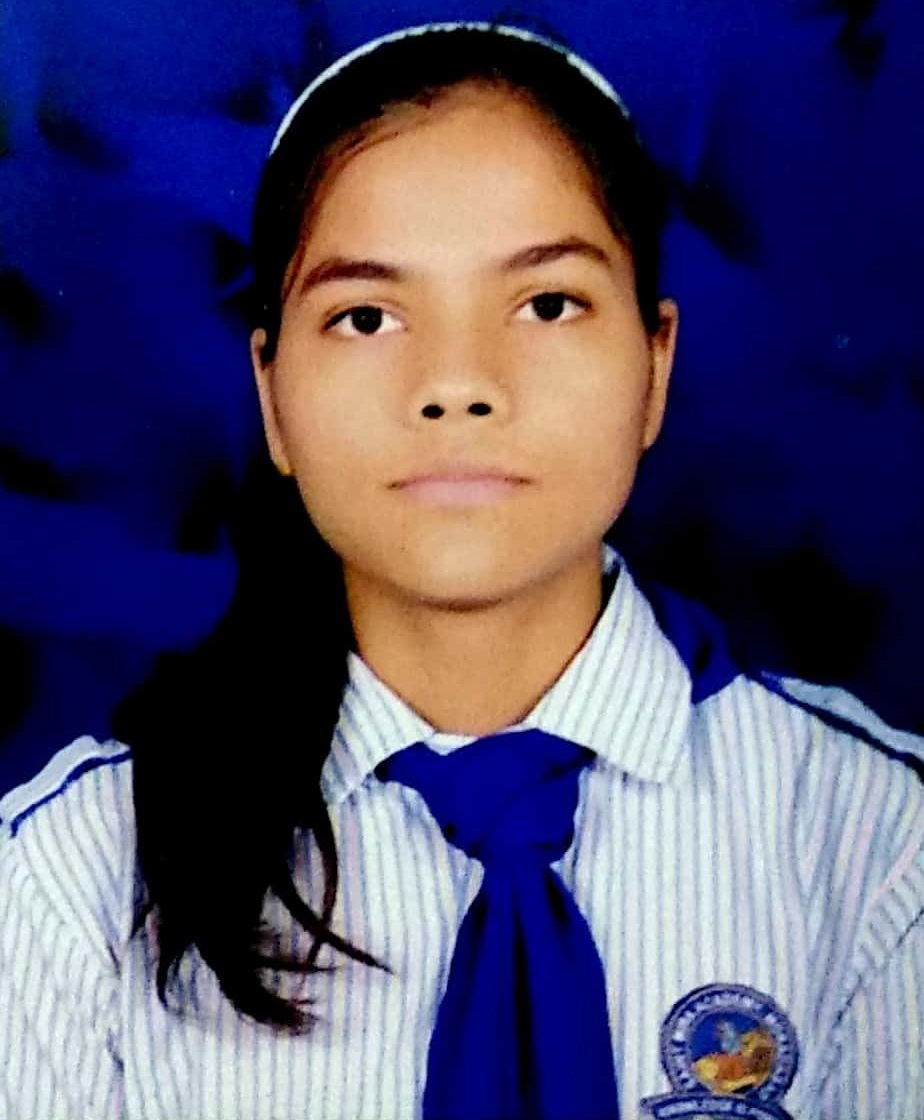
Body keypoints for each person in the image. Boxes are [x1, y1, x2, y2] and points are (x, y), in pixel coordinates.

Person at [1, 22, 922, 1120]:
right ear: (272, 394)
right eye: (366, 316)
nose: (457, 384)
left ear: (656, 363)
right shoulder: (70, 876)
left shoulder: (881, 842)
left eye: (547, 304)